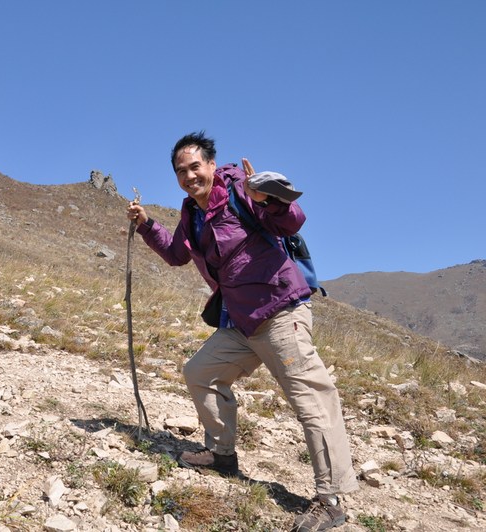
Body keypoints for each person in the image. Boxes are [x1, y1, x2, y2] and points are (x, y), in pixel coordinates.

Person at [126, 132, 357, 531]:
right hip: (242, 321)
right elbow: (177, 255)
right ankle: (222, 456)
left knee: (312, 401)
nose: (189, 176)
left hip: (280, 312)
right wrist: (147, 225)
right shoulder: (192, 213)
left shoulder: (241, 191)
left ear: (211, 165)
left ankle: (331, 500)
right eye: (181, 171)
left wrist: (268, 198)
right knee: (201, 372)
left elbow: (290, 222)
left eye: (195, 166)